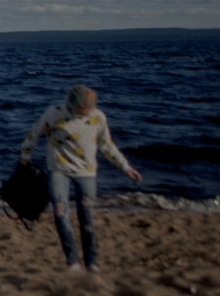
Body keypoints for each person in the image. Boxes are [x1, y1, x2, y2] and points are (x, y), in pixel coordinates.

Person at [20, 84, 141, 273]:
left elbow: (107, 145)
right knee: (60, 213)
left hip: (86, 173)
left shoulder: (98, 117)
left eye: (91, 107)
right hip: (58, 170)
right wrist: (25, 156)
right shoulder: (54, 113)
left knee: (87, 216)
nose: (89, 110)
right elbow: (33, 134)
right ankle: (72, 261)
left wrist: (126, 167)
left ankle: (91, 261)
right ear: (74, 105)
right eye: (85, 108)